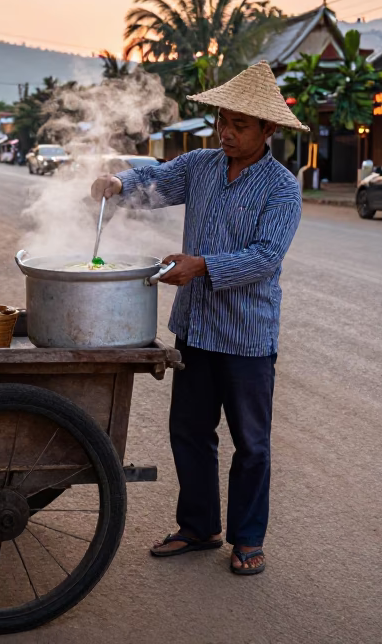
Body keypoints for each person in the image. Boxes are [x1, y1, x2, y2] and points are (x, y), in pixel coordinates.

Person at [90, 61, 306, 576]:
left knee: (251, 444)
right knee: (189, 431)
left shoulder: (282, 188)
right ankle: (199, 526)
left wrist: (203, 265)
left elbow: (266, 256)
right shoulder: (202, 166)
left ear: (268, 130)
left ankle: (248, 539)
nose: (226, 133)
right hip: (197, 328)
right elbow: (156, 180)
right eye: (222, 122)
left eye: (240, 125)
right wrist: (118, 184)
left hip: (248, 337)